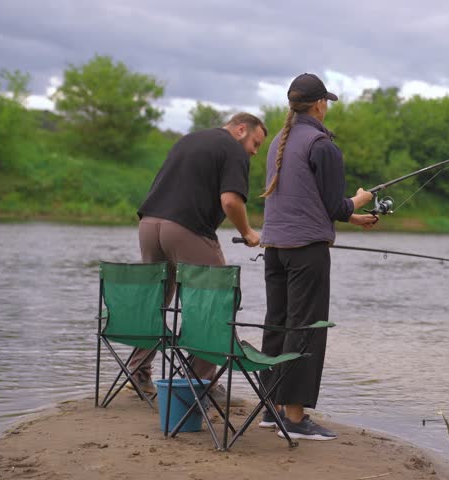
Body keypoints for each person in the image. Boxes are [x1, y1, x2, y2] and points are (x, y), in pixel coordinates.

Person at [258, 73, 378, 441]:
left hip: (275, 250)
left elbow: (309, 200)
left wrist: (349, 215)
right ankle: (294, 418)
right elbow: (333, 204)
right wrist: (359, 200)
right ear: (319, 105)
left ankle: (272, 409)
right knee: (306, 329)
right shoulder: (322, 144)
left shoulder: (279, 139)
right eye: (326, 102)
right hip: (306, 253)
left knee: (278, 324)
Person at [127, 112, 266, 402]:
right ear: (241, 129)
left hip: (149, 225)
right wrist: (249, 232)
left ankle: (138, 371)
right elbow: (230, 200)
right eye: (255, 143)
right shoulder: (232, 149)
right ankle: (200, 382)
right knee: (215, 301)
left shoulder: (188, 140)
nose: (254, 151)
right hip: (185, 228)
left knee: (156, 299)